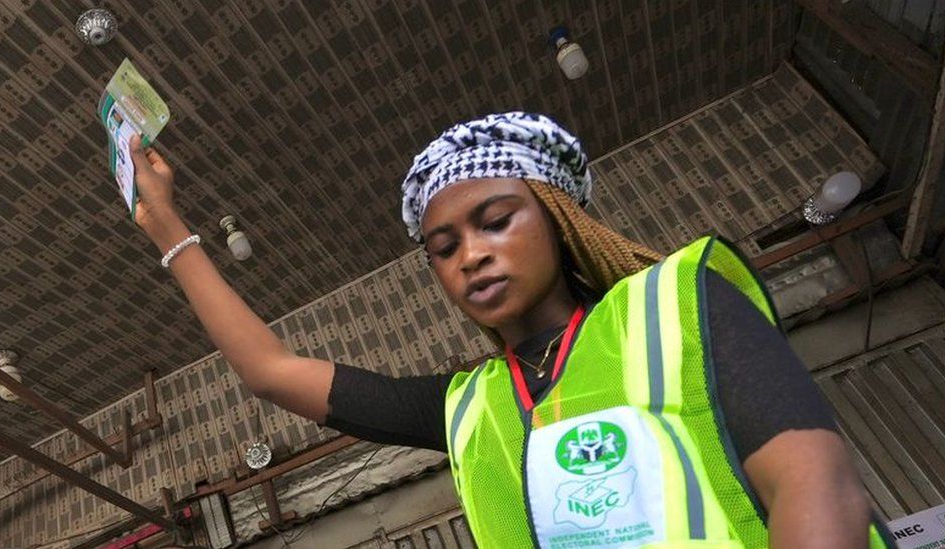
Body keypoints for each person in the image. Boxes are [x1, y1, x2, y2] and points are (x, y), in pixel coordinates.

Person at [130, 112, 894, 548]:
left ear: (557, 216)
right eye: (444, 247)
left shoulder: (677, 302)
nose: (471, 254)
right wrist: (169, 228)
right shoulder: (470, 409)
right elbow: (269, 369)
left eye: (496, 221)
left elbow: (814, 482)